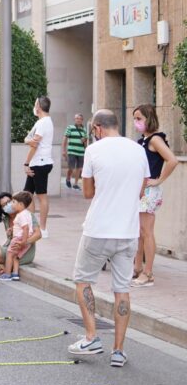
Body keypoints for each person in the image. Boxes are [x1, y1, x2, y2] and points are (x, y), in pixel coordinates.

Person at [67, 109, 149, 368]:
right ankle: (118, 351)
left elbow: (87, 193)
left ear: (98, 128)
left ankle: (91, 337)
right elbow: (142, 188)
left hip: (98, 230)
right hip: (128, 231)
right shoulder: (138, 150)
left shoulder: (93, 150)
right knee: (122, 290)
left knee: (83, 281)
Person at [131, 105, 178, 287]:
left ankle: (148, 272)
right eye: (134, 118)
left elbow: (172, 160)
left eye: (139, 118)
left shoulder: (155, 139)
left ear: (148, 119)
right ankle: (138, 268)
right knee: (139, 232)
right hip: (142, 190)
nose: (136, 122)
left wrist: (159, 180)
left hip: (149, 191)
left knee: (146, 232)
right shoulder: (144, 140)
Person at [23, 96, 54, 238]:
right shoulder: (42, 122)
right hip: (38, 162)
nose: (34, 107)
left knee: (41, 196)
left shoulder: (43, 123)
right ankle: (33, 226)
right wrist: (28, 140)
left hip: (40, 163)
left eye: (35, 104)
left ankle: (42, 229)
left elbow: (34, 144)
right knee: (27, 195)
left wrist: (26, 163)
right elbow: (29, 140)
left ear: (39, 107)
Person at [0, 191, 33, 282]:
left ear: (20, 204)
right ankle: (15, 274)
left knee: (9, 254)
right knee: (15, 256)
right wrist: (12, 229)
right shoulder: (27, 213)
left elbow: (25, 228)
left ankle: (7, 274)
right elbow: (21, 226)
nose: (11, 204)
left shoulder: (21, 215)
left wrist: (23, 241)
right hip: (24, 238)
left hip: (19, 238)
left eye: (13, 202)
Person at [62, 114, 88, 190]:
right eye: (77, 118)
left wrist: (84, 140)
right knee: (71, 167)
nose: (78, 120)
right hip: (71, 151)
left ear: (82, 120)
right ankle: (68, 179)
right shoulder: (70, 127)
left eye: (80, 118)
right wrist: (64, 150)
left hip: (81, 152)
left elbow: (85, 142)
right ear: (74, 119)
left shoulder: (84, 129)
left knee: (79, 168)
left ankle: (75, 184)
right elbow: (65, 139)